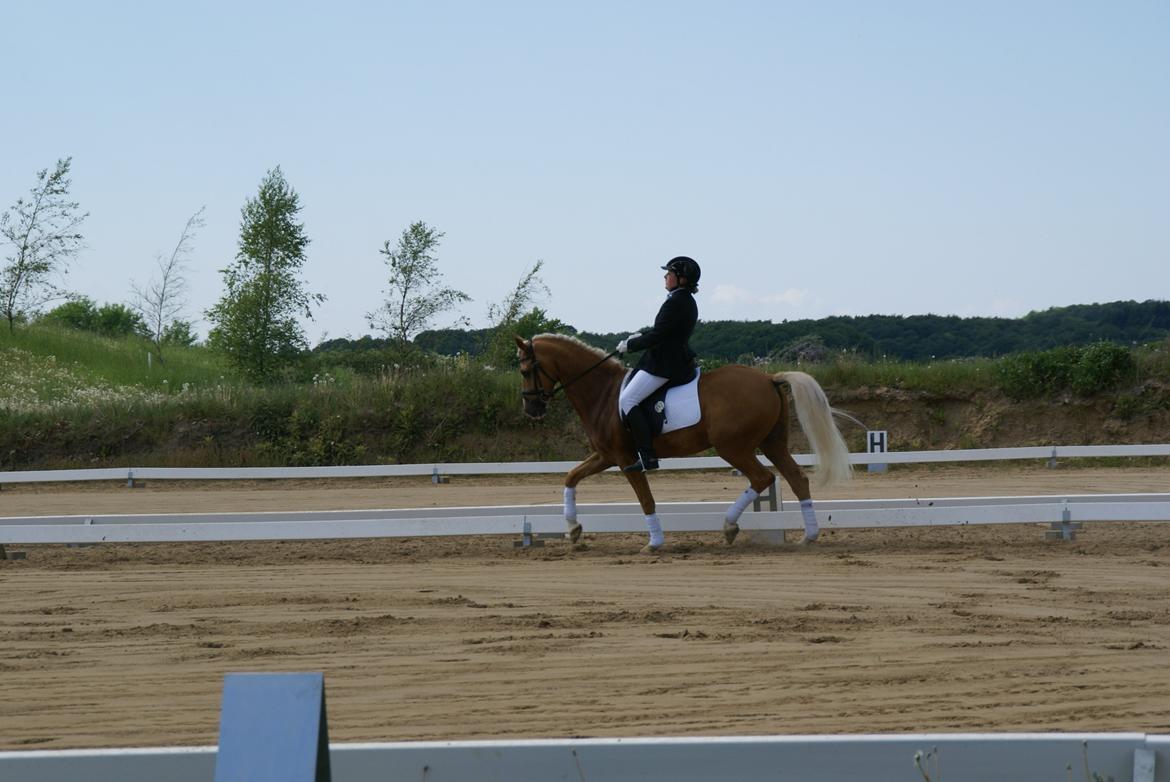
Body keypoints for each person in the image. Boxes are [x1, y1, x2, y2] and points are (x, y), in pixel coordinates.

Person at [615, 255, 701, 473]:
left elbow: (659, 335)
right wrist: (638, 337)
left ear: (681, 279)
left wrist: (631, 345)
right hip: (670, 358)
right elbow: (662, 331)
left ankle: (647, 457)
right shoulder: (683, 300)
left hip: (664, 363)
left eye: (670, 273)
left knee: (628, 399)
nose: (665, 276)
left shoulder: (676, 301)